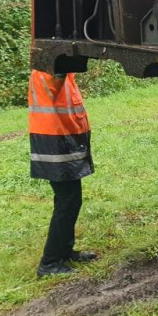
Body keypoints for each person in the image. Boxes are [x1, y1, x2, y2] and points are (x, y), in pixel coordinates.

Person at [29, 70, 97, 278]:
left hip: (61, 141)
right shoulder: (48, 70)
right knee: (67, 202)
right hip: (55, 142)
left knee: (70, 200)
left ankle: (65, 252)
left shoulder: (62, 74)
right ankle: (50, 263)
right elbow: (55, 80)